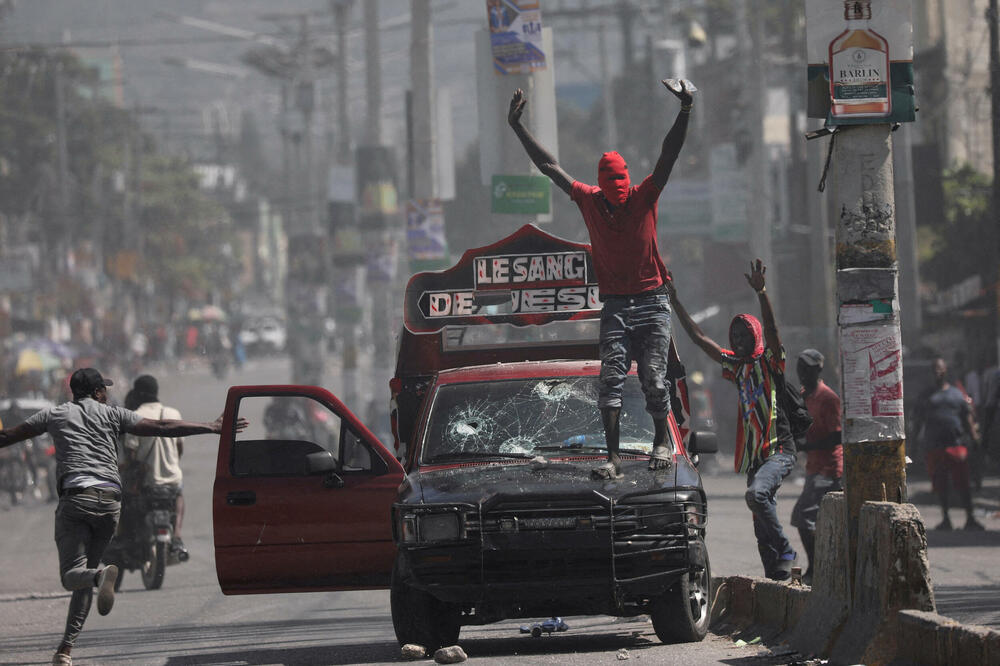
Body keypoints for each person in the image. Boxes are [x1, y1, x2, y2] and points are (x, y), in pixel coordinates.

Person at [507, 77, 693, 480]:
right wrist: (518, 127)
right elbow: (548, 166)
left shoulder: (644, 196)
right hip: (615, 305)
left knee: (654, 379)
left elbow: (668, 155)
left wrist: (685, 110)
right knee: (609, 379)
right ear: (602, 187)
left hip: (652, 301)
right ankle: (613, 458)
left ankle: (662, 439)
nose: (618, 195)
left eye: (622, 188)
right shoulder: (589, 200)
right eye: (612, 190)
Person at [0, 367, 247, 666]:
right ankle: (65, 650)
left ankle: (100, 577)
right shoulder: (113, 414)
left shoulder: (54, 415)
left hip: (77, 501)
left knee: (72, 576)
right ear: (98, 393)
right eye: (105, 389)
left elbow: (8, 436)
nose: (108, 393)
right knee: (85, 574)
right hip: (110, 503)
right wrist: (210, 426)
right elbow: (163, 427)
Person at [667, 260, 799, 580]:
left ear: (754, 337)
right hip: (756, 459)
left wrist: (762, 293)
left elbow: (772, 332)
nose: (738, 340)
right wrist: (674, 302)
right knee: (759, 525)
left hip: (778, 451)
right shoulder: (736, 368)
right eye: (734, 335)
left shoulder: (770, 362)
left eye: (744, 335)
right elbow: (699, 338)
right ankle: (777, 578)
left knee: (756, 496)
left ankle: (787, 550)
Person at [789, 349, 842, 586]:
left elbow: (836, 437)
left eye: (807, 368)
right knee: (809, 519)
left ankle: (817, 567)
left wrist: (807, 446)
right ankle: (822, 566)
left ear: (818, 370)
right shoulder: (803, 396)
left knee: (803, 517)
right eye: (800, 367)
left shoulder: (828, 398)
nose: (802, 372)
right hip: (813, 468)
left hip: (828, 469)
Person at [913, 358, 984, 531]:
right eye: (935, 369)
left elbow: (967, 418)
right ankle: (946, 519)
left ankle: (970, 518)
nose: (938, 372)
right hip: (935, 447)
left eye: (941, 369)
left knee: (963, 483)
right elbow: (917, 421)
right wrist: (914, 443)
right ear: (931, 373)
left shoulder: (956, 394)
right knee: (940, 484)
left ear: (946, 371)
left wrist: (974, 439)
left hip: (956, 445)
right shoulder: (926, 396)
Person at [120, 375, 188, 557]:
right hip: (172, 478)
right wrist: (171, 463)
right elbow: (179, 448)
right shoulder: (173, 414)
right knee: (179, 495)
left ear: (137, 393)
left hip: (147, 481)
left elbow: (131, 453)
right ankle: (178, 534)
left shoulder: (134, 416)